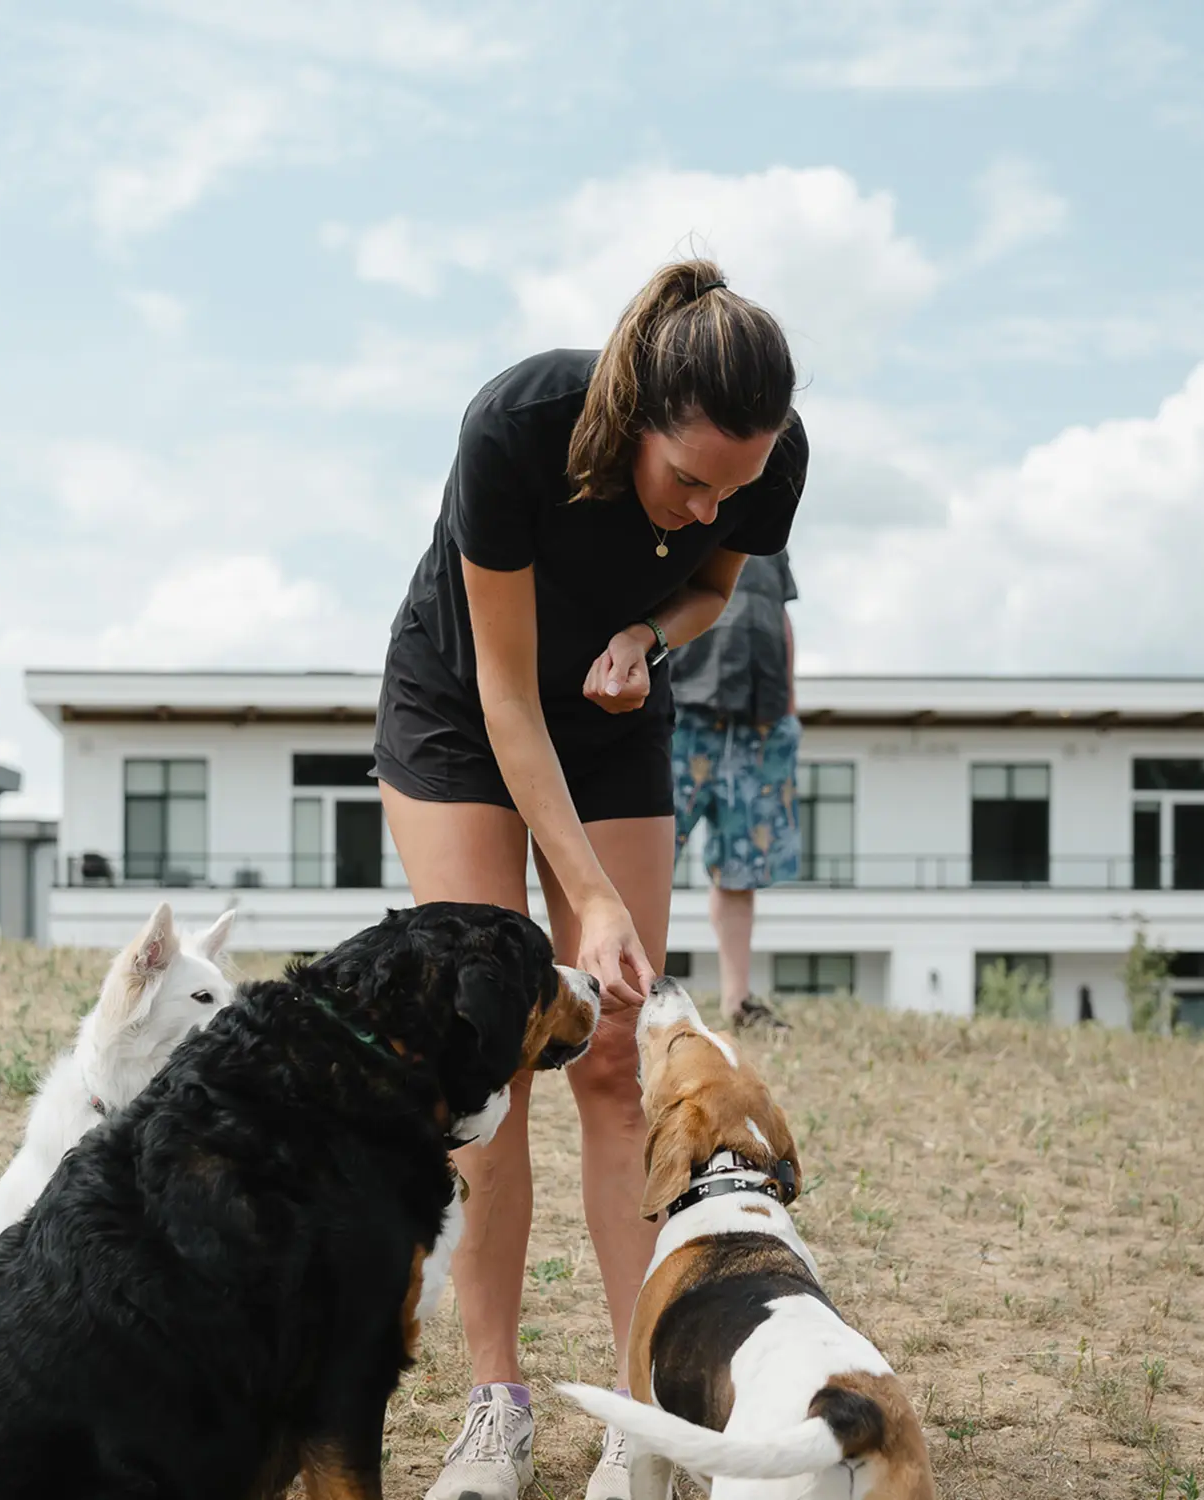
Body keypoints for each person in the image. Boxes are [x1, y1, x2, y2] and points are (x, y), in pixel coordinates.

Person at [371, 259, 808, 1500]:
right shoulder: (516, 430)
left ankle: (644, 1410)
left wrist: (648, 634)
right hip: (466, 708)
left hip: (617, 712)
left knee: (618, 1056)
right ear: (636, 422)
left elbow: (715, 584)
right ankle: (495, 1403)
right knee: (493, 1054)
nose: (701, 509)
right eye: (686, 480)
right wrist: (593, 897)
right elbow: (508, 701)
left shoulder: (759, 463)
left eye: (736, 484)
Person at [669, 550, 802, 1029]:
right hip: (682, 710)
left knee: (741, 868)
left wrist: (788, 705)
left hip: (760, 720)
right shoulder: (681, 517)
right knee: (645, 856)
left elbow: (781, 618)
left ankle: (738, 1002)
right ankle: (626, 992)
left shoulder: (772, 539)